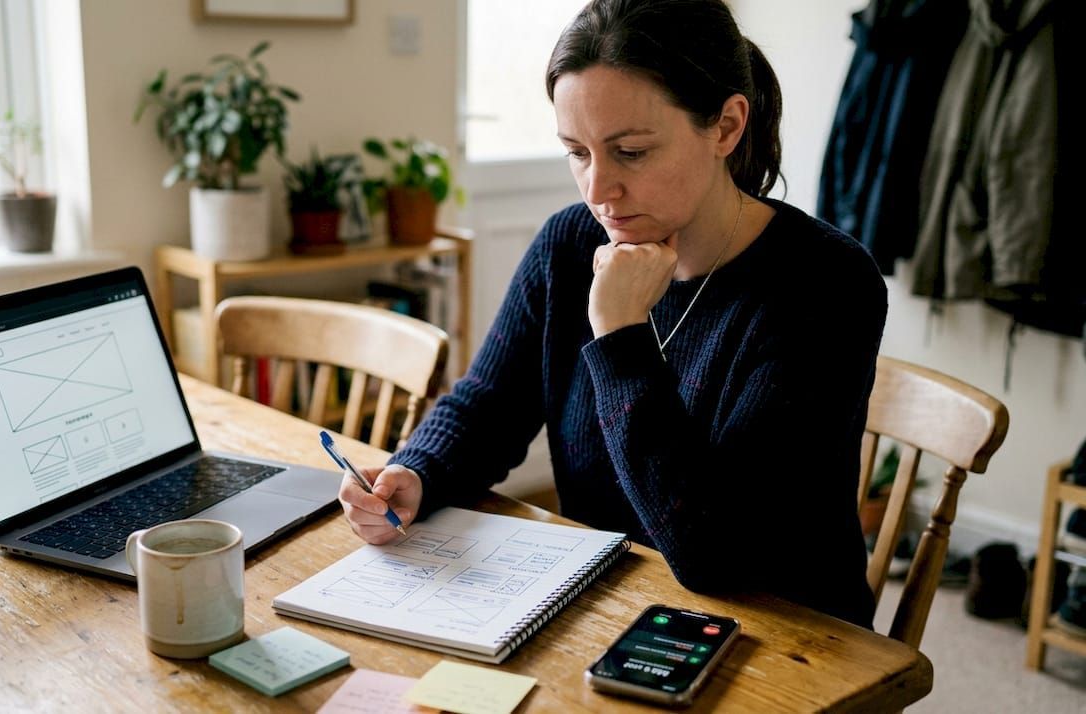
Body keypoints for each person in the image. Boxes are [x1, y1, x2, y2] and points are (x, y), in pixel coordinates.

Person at [339, 0, 887, 629]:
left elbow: (715, 555)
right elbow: (490, 402)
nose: (598, 190)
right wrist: (418, 471)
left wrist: (622, 333)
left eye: (630, 152)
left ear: (727, 127)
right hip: (611, 600)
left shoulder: (826, 284)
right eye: (577, 152)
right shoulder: (570, 244)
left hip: (788, 629)